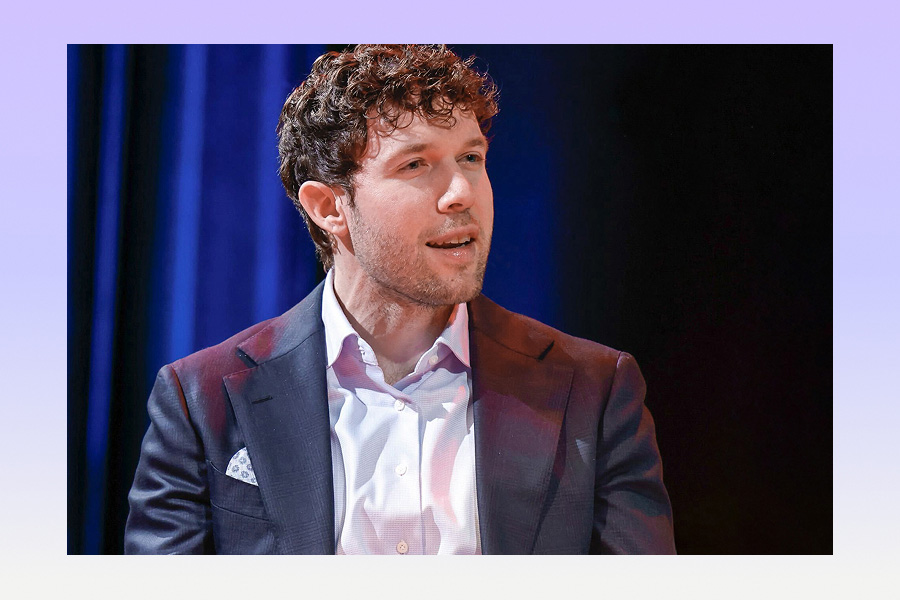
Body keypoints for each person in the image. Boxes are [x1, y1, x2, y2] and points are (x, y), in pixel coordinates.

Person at [124, 44, 676, 554]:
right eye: (415, 165)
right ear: (329, 208)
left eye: (471, 158)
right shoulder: (202, 400)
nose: (461, 193)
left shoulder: (594, 389)